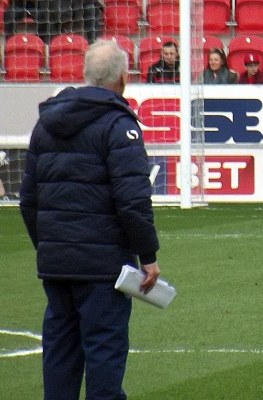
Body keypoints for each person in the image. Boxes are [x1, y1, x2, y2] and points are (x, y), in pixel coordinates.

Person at [19, 39, 161, 400]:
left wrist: (51, 245)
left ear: (85, 74)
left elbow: (28, 199)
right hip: (102, 267)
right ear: (123, 78)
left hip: (56, 263)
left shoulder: (46, 122)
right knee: (104, 352)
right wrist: (148, 256)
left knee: (60, 352)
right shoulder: (118, 125)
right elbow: (132, 200)